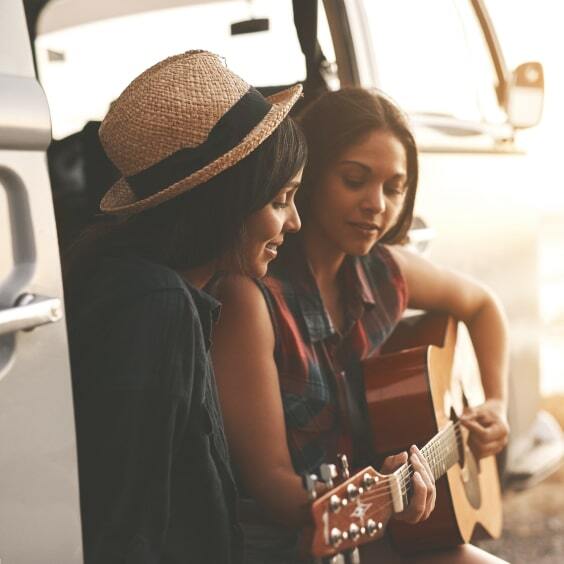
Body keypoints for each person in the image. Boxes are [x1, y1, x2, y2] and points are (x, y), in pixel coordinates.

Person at [211, 88, 509, 563]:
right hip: (297, 541)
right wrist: (388, 502)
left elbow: (483, 306)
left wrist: (494, 402)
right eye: (355, 180)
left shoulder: (387, 271)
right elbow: (273, 484)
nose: (377, 204)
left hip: (378, 527)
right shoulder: (253, 300)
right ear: (309, 179)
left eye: (394, 188)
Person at [63, 50, 306, 564]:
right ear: (230, 198)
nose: (295, 223)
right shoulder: (157, 306)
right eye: (282, 199)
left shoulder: (141, 288)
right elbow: (127, 529)